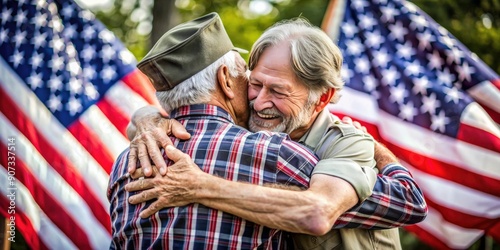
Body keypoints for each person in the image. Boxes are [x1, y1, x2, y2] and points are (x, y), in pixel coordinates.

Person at [125, 17, 427, 249]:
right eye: (255, 84)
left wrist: (199, 185)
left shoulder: (344, 143)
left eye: (278, 91)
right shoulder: (251, 130)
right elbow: (186, 113)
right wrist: (148, 120)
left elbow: (319, 212)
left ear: (322, 98)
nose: (259, 102)